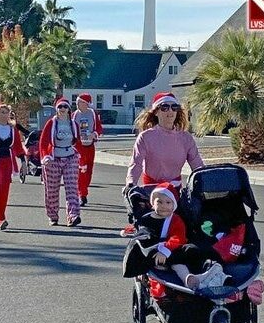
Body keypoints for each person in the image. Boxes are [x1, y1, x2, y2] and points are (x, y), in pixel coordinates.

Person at [122, 92, 204, 236]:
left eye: (174, 107)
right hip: (152, 195)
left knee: (182, 232)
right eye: (165, 107)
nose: (170, 111)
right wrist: (130, 184)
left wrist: (206, 182)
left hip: (175, 194)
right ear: (156, 112)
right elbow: (136, 163)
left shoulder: (185, 138)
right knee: (153, 233)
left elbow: (197, 165)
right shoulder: (146, 137)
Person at [39, 97, 82, 227]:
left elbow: (78, 142)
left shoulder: (73, 124)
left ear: (69, 109)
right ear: (56, 109)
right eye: (60, 107)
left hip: (70, 157)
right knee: (51, 189)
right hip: (54, 159)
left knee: (72, 188)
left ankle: (73, 215)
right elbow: (44, 141)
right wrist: (45, 156)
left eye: (65, 107)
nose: (62, 109)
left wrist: (82, 159)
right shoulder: (51, 123)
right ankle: (53, 216)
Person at [72, 93, 103, 206]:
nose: (79, 105)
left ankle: (84, 189)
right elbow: (71, 129)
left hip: (90, 146)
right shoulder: (74, 115)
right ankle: (82, 194)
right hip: (79, 147)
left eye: (81, 102)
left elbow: (99, 128)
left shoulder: (93, 114)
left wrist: (94, 134)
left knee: (89, 170)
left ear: (87, 103)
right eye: (78, 103)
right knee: (82, 170)